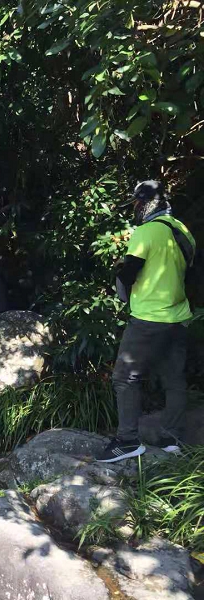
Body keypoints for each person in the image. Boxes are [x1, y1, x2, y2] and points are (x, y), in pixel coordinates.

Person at [97, 181, 197, 463]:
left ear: (147, 203)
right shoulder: (183, 230)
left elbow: (129, 273)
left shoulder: (147, 231)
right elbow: (190, 274)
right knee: (174, 379)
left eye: (137, 203)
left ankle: (127, 441)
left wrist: (120, 282)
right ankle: (172, 439)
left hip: (149, 318)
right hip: (179, 316)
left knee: (124, 377)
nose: (135, 208)